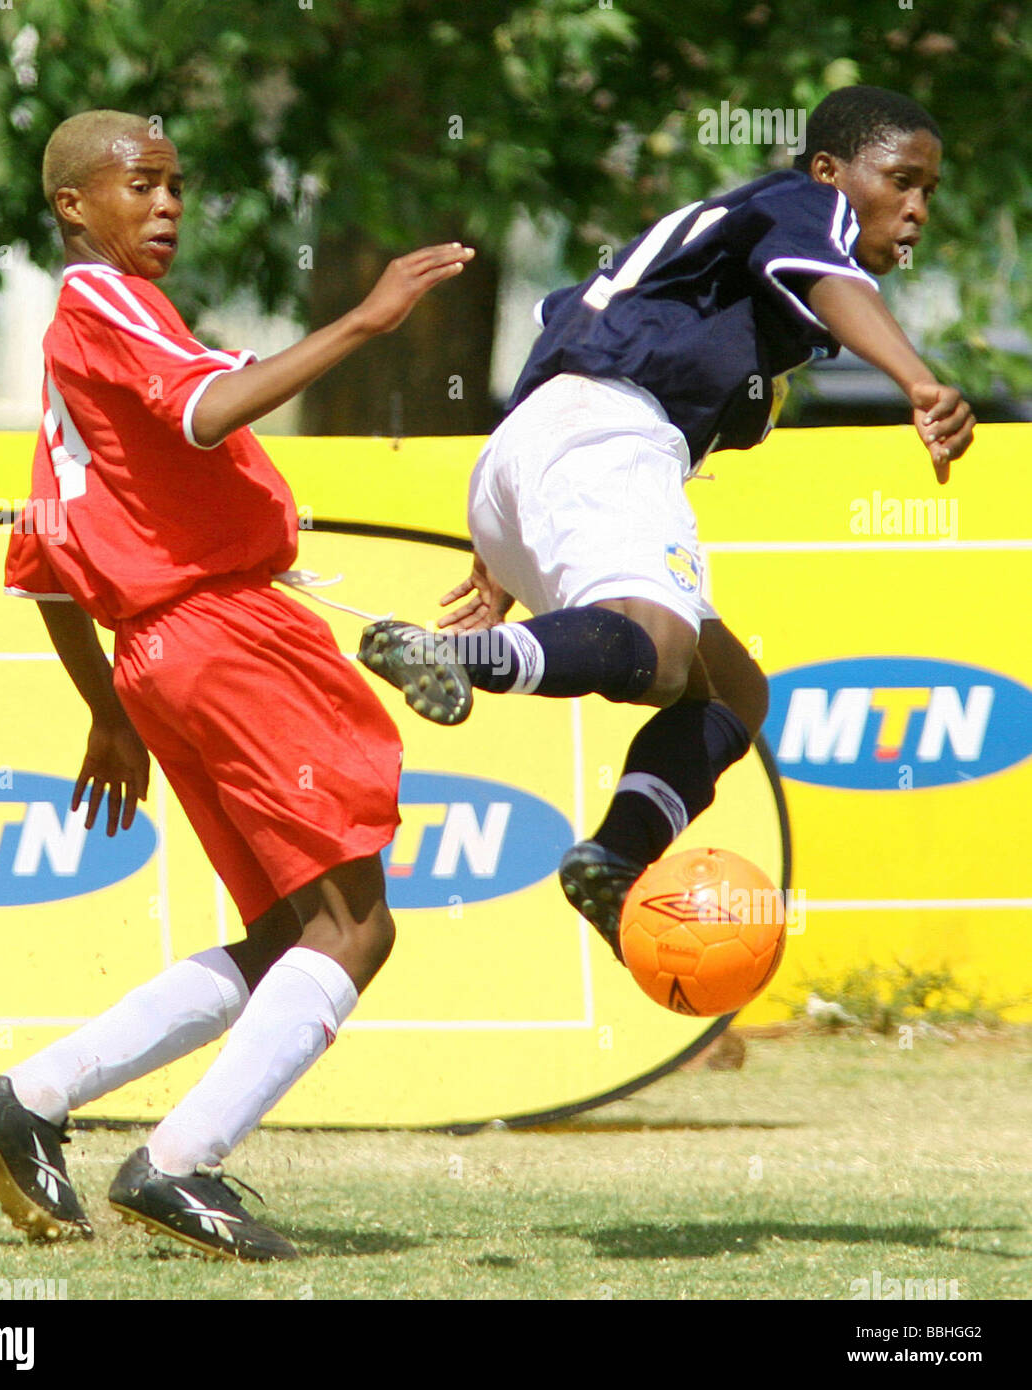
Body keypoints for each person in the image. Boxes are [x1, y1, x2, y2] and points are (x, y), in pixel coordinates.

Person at [0, 109, 474, 1261]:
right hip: (224, 635)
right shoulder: (107, 302)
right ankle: (178, 1165)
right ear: (72, 206)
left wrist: (110, 708)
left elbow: (41, 563)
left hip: (163, 655)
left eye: (176, 185)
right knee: (355, 926)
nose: (168, 204)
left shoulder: (70, 362)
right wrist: (368, 317)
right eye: (140, 183)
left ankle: (31, 1098)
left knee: (289, 932)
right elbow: (208, 410)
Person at [359, 85, 975, 961]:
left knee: (731, 693)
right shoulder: (802, 206)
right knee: (659, 649)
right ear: (829, 171)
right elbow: (828, 277)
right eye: (901, 180)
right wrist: (918, 381)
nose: (916, 210)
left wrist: (508, 539)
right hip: (604, 433)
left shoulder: (713, 249)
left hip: (535, 445)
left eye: (929, 192)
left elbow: (561, 316)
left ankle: (613, 860)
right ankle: (453, 656)